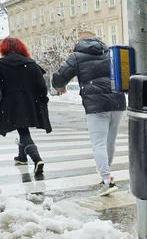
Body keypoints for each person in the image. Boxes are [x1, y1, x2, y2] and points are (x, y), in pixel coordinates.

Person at [52, 31, 125, 196]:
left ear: (80, 42)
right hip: (118, 102)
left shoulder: (76, 56)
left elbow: (59, 78)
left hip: (96, 105)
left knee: (98, 143)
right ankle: (106, 177)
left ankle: (107, 180)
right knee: (109, 141)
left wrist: (59, 86)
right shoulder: (110, 54)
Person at [0, 37, 52, 175]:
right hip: (30, 102)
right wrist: (43, 99)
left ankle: (36, 158)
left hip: (10, 103)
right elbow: (41, 85)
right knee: (23, 127)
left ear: (4, 49)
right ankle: (22, 157)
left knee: (23, 130)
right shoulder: (31, 64)